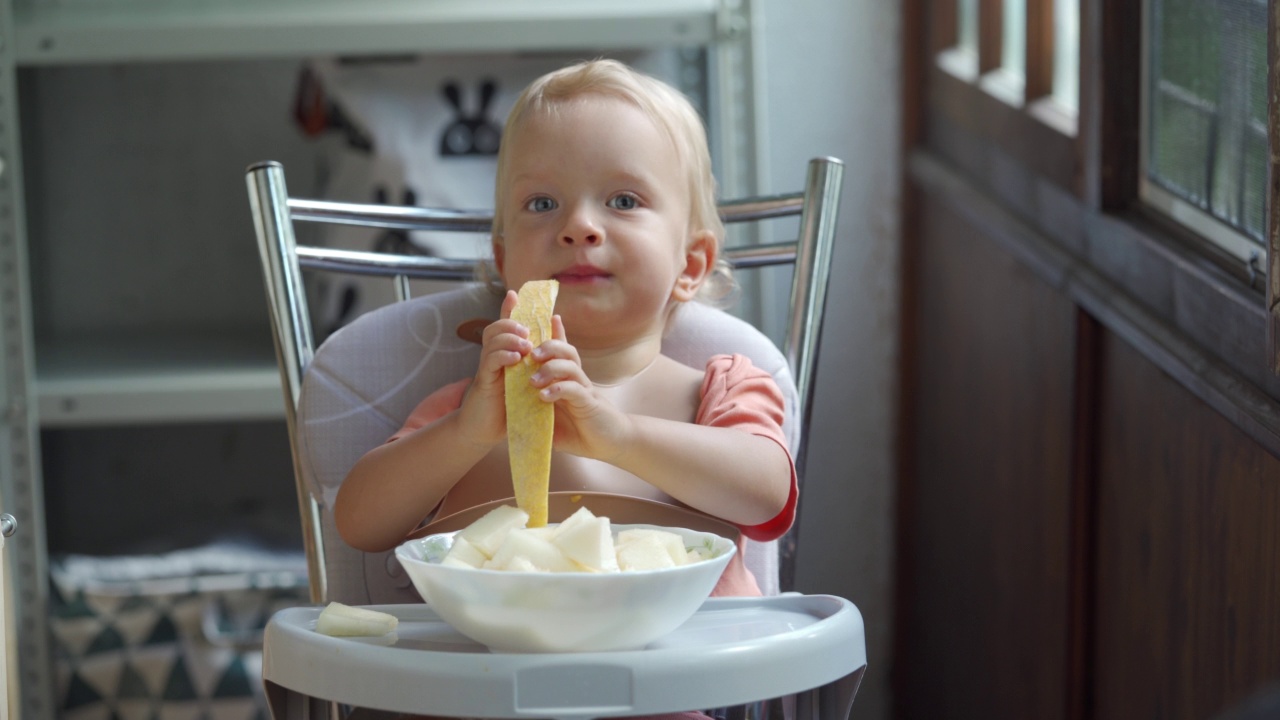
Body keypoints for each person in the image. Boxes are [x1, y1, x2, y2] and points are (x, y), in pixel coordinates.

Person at [334, 58, 796, 596]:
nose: (579, 226)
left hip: (689, 673)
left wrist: (619, 436)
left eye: (624, 201)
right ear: (504, 261)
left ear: (689, 266)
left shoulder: (719, 391)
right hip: (493, 673)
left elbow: (767, 494)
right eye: (543, 203)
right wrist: (466, 434)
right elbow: (360, 525)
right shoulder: (471, 409)